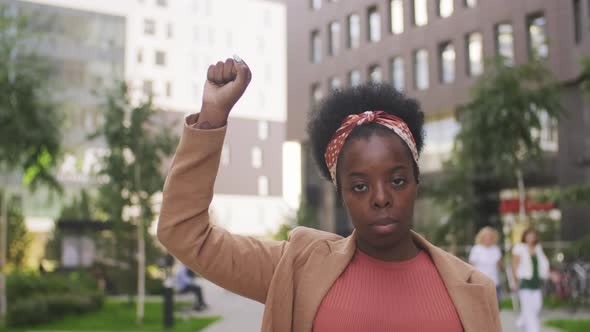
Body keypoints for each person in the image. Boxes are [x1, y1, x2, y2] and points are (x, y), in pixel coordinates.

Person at [157, 56, 501, 331]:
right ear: (340, 194)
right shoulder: (297, 266)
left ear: (416, 181)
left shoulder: (473, 289)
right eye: (360, 186)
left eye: (397, 180)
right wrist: (212, 117)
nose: (381, 197)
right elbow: (185, 232)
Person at [512, 227, 550, 332]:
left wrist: (549, 274)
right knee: (529, 311)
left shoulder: (538, 248)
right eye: (528, 235)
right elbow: (514, 265)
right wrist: (515, 281)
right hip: (524, 282)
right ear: (524, 236)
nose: (531, 237)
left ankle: (522, 321)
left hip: (536, 282)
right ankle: (533, 329)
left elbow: (543, 264)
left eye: (533, 235)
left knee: (537, 306)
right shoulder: (519, 248)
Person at [469, 226, 503, 305]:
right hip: (480, 282)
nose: (488, 239)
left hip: (494, 282)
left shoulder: (496, 249)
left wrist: (500, 264)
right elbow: (471, 267)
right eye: (486, 237)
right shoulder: (476, 249)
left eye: (490, 237)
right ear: (481, 238)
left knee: (495, 306)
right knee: (482, 306)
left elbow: (500, 266)